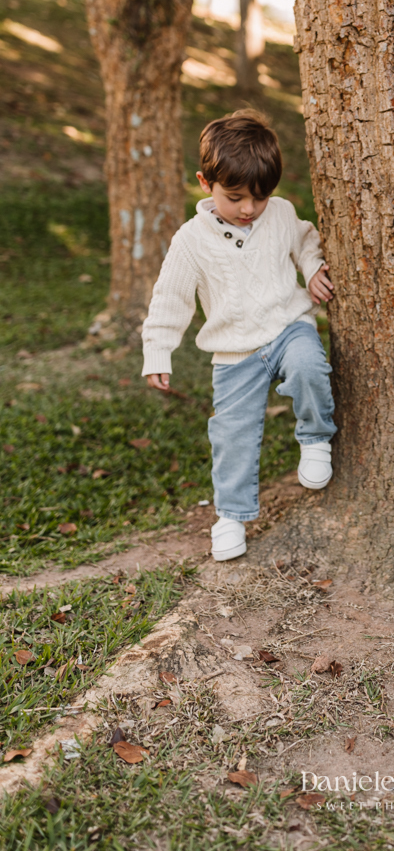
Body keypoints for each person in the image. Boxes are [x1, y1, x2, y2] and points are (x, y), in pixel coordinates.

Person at [142, 110, 336, 563]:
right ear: (205, 182)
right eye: (235, 197)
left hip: (288, 327)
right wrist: (158, 352)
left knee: (310, 366)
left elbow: (306, 240)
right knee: (232, 435)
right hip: (233, 353)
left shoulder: (282, 214)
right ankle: (230, 516)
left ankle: (315, 438)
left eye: (260, 198)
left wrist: (311, 269)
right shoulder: (190, 241)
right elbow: (170, 298)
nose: (249, 209)